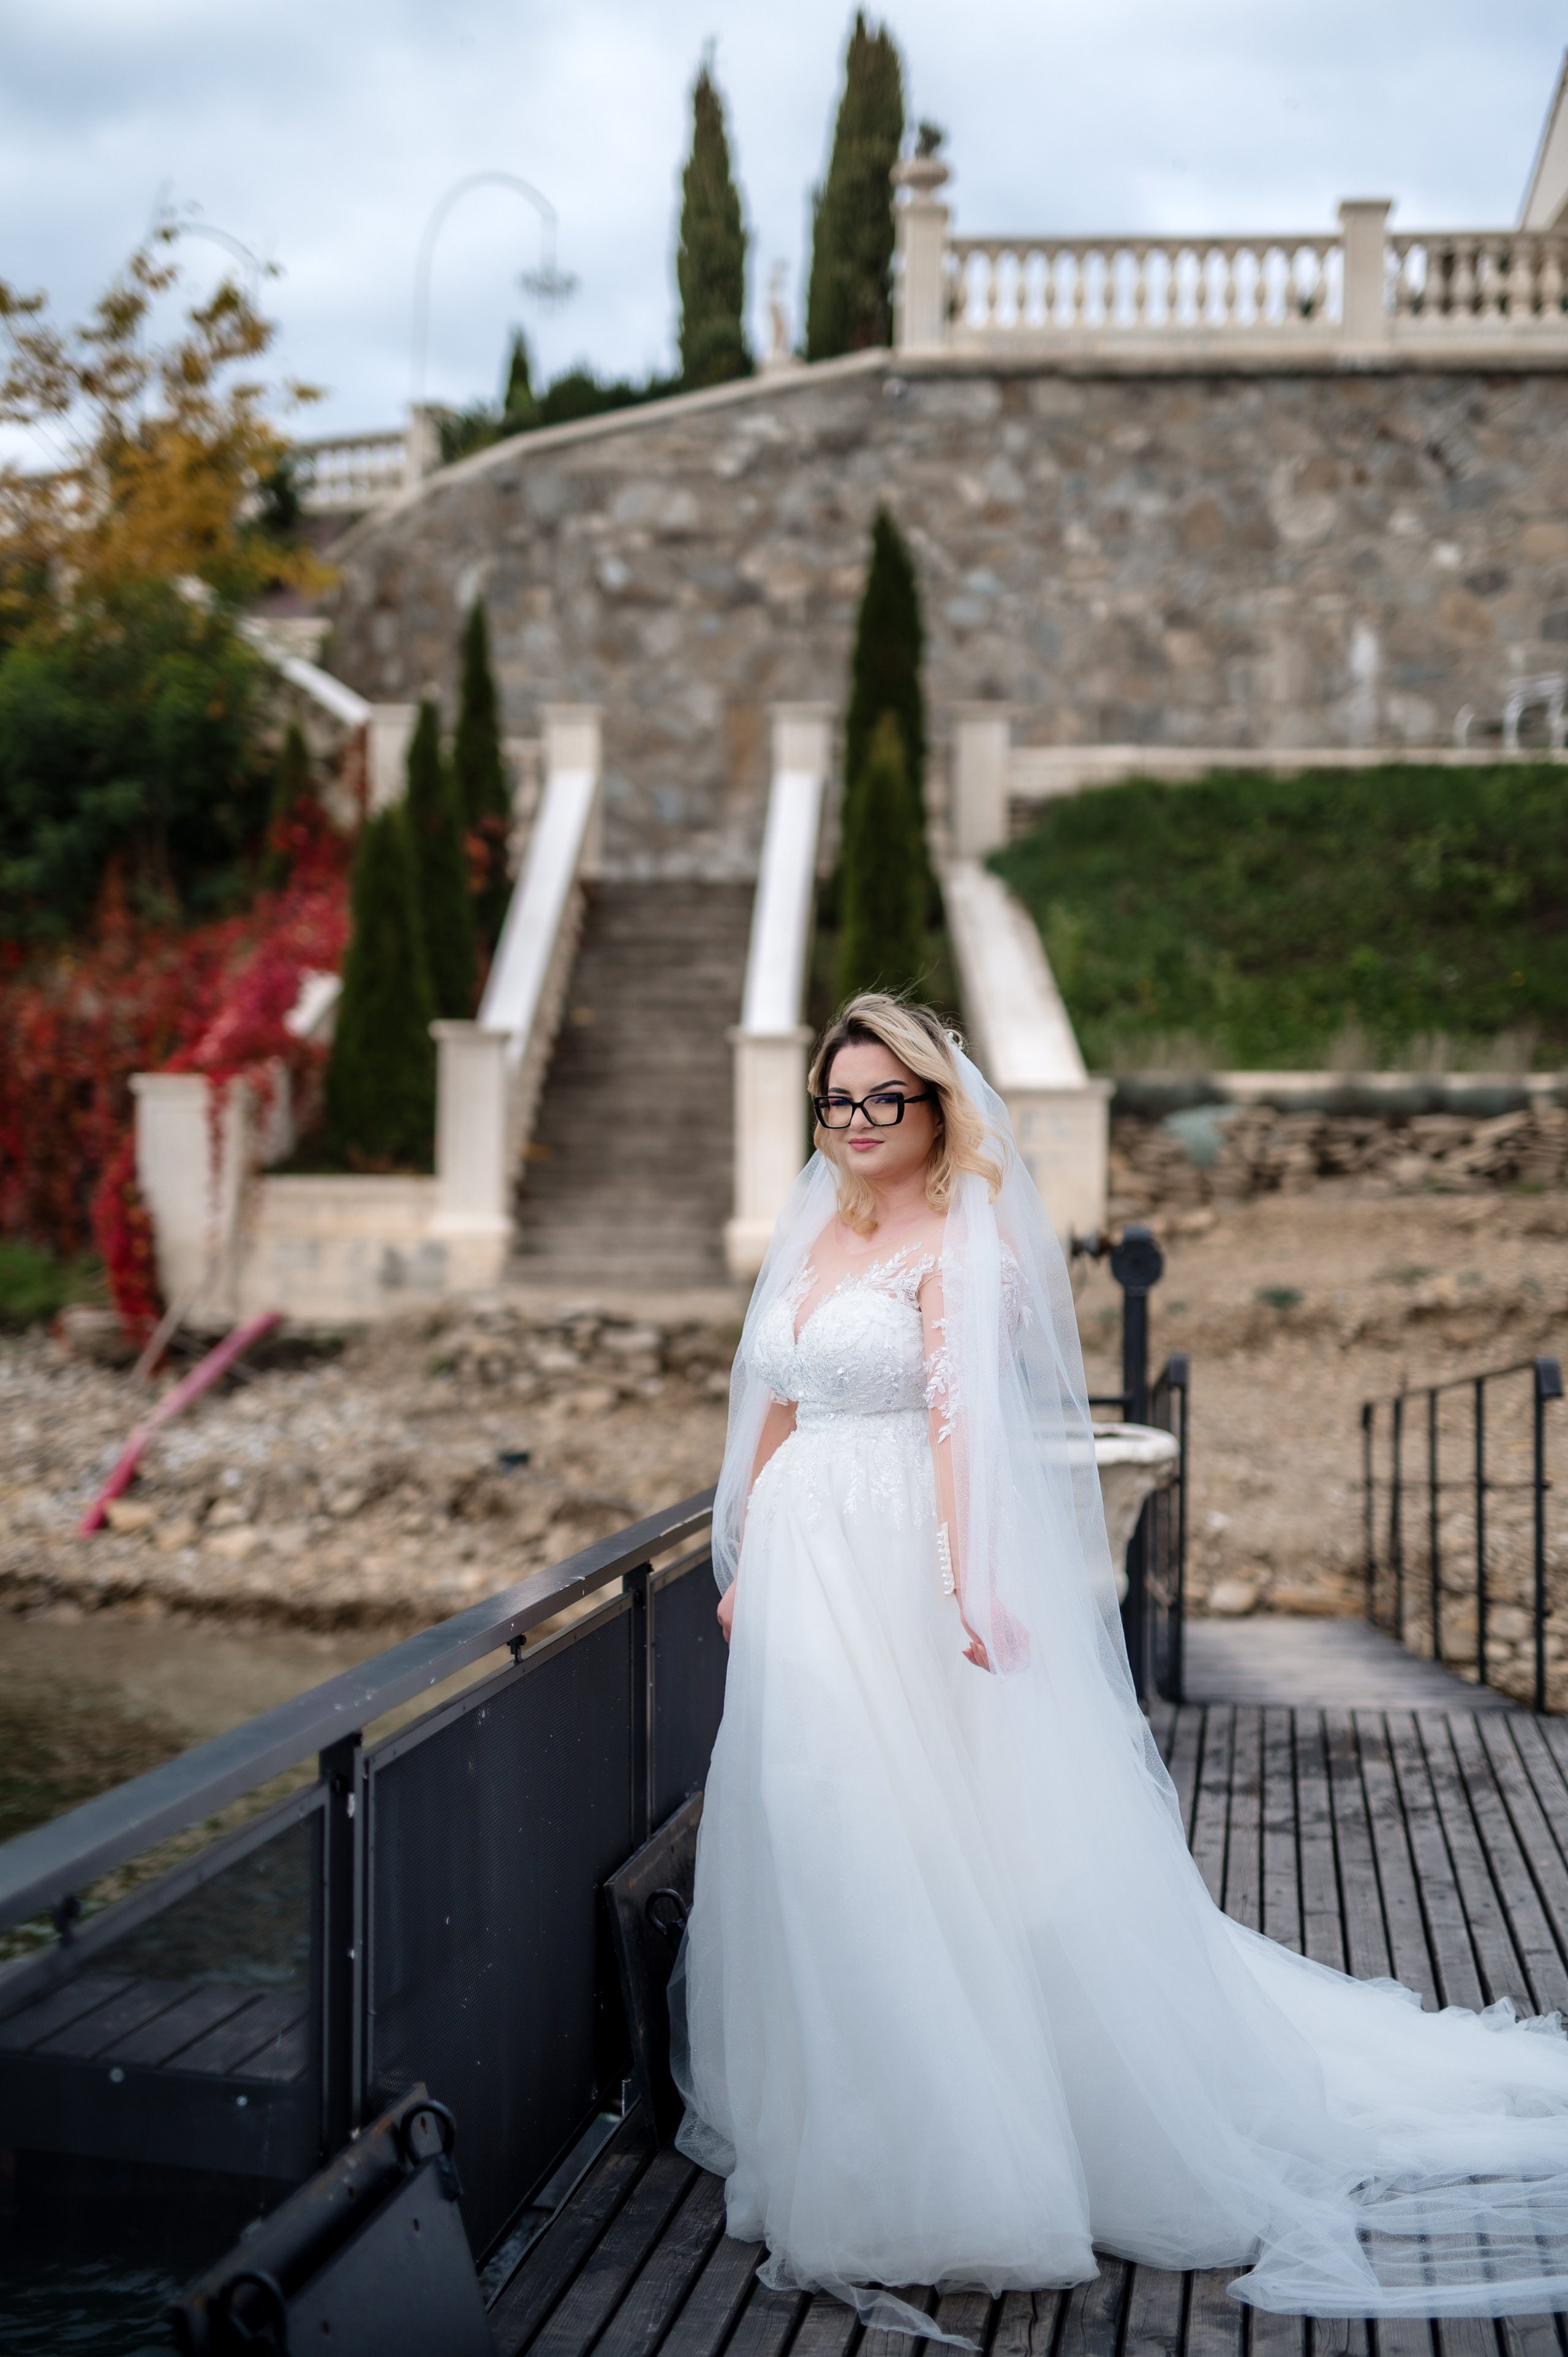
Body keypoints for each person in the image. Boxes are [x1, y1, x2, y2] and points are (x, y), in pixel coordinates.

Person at [671, 992, 1568, 2335]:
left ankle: (950, 2144)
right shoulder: (819, 1235)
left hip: (892, 1568)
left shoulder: (960, 1249)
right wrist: (738, 1559)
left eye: (880, 1101)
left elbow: (969, 1431)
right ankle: (834, 2103)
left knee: (909, 1838)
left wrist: (970, 1581)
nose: (854, 1126)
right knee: (812, 1826)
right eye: (835, 1102)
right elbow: (777, 1403)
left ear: (931, 1108)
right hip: (802, 1576)